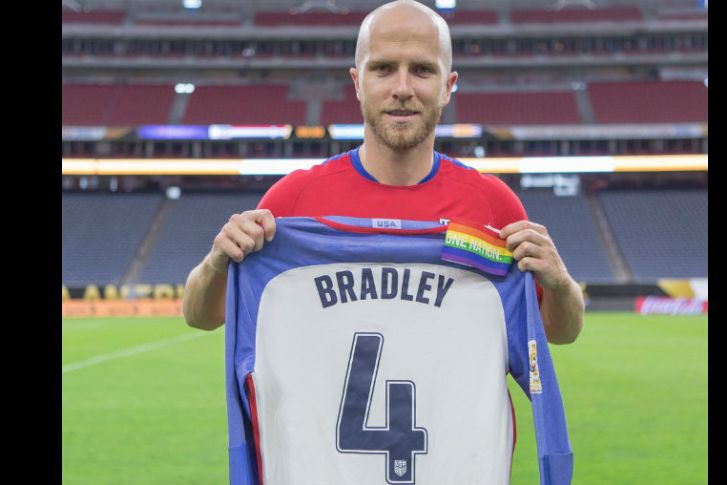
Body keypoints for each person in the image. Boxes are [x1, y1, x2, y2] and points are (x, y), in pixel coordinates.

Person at [183, 0, 584, 345]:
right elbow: (201, 315)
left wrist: (560, 282)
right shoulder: (293, 201)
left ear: (448, 86)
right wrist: (217, 262)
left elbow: (560, 331)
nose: (403, 88)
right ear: (358, 82)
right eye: (384, 68)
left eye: (423, 70)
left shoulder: (493, 204)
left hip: (462, 438)